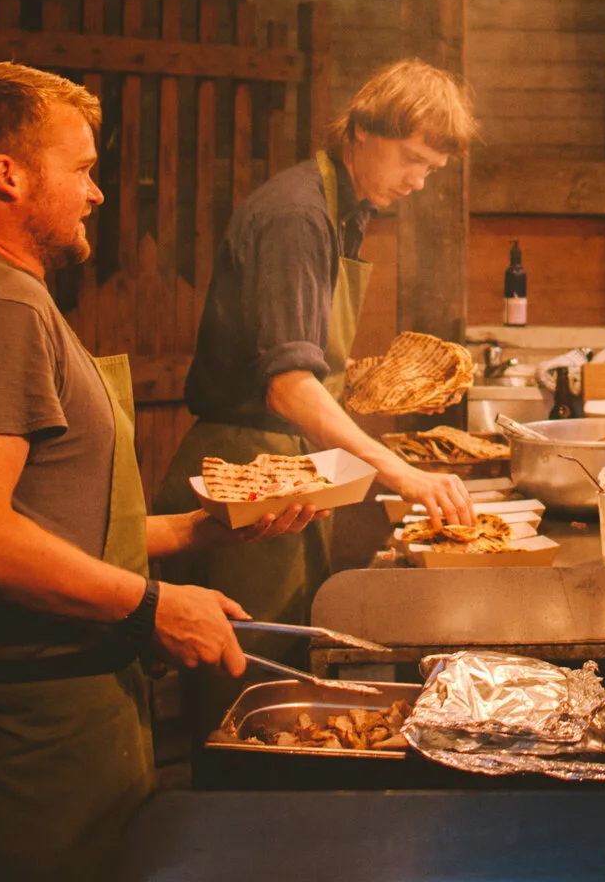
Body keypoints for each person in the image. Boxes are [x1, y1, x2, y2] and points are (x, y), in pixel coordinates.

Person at [0, 63, 313, 882]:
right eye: (82, 168)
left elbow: (47, 525)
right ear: (7, 174)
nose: (97, 193)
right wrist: (154, 606)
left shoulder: (10, 298)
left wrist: (205, 532)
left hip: (68, 721)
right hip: (24, 743)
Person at [156, 59, 480, 729]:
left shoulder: (344, 211)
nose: (418, 181)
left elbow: (295, 354)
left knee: (281, 672)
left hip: (290, 463)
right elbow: (287, 388)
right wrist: (399, 472)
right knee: (247, 691)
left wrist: (357, 377)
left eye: (432, 169)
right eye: (411, 159)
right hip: (248, 467)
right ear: (361, 130)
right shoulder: (297, 216)